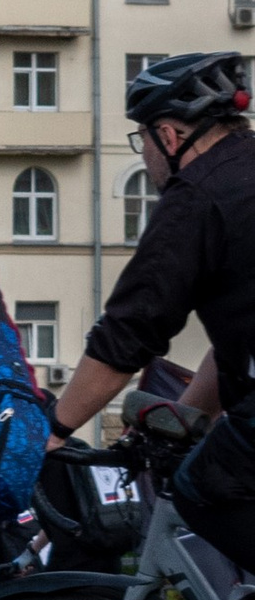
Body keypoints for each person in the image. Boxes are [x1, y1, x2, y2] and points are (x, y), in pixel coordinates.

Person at [49, 58, 255, 560]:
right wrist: (188, 418)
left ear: (166, 134)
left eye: (140, 139)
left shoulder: (198, 196)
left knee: (200, 489)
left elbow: (129, 332)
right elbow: (238, 341)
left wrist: (55, 432)